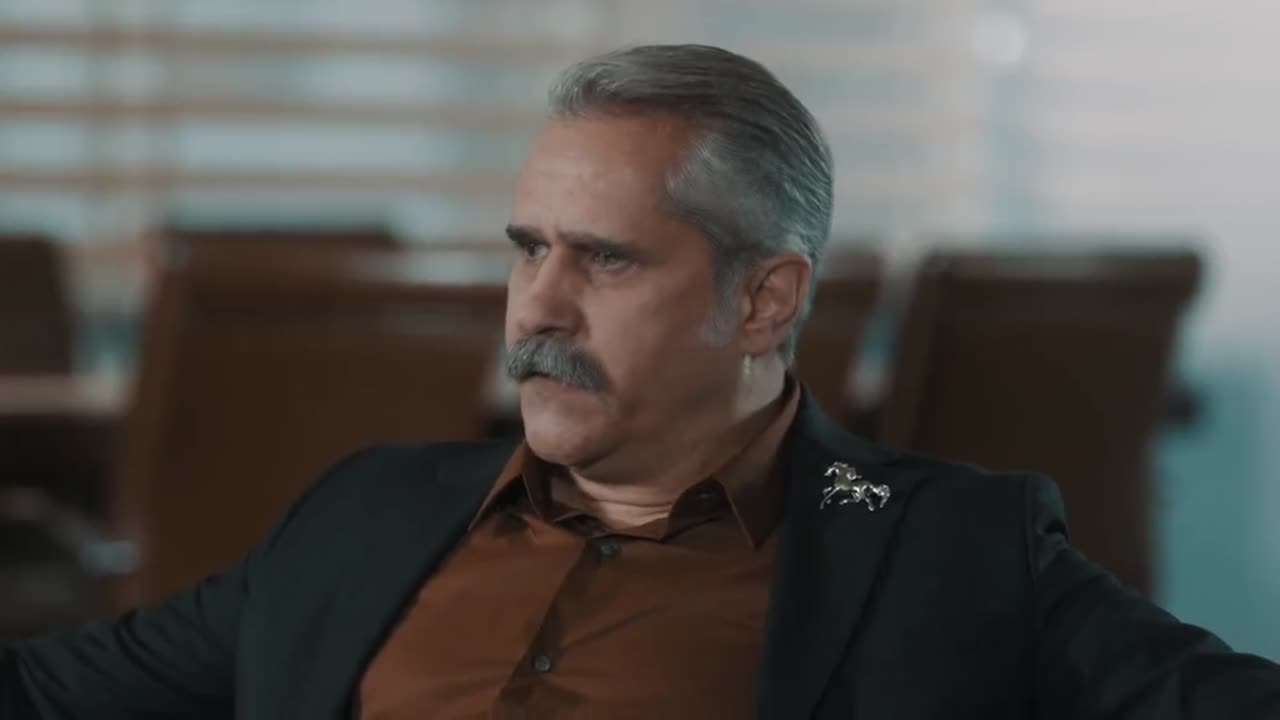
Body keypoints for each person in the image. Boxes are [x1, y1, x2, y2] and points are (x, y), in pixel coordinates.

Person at [3, 44, 1277, 720]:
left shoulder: (940, 548)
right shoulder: (369, 510)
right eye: (527, 249)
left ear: (763, 300)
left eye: (604, 260)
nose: (537, 307)